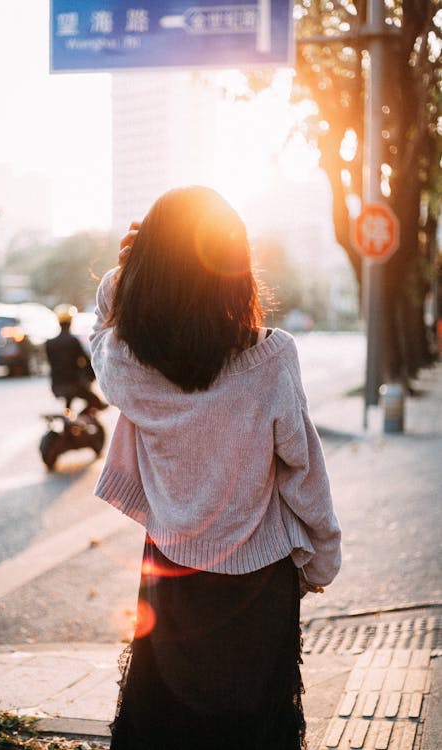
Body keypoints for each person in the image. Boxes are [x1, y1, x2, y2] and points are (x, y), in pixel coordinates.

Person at [90, 186, 341, 750]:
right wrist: (321, 560)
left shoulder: (131, 366)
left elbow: (101, 331)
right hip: (259, 583)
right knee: (255, 730)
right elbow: (304, 471)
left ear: (150, 269)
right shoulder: (272, 358)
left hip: (171, 575)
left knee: (168, 726)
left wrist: (125, 274)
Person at [46, 303, 107, 413]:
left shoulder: (50, 343)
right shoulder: (73, 341)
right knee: (97, 402)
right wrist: (92, 375)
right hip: (75, 384)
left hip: (56, 385)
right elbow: (85, 361)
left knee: (69, 404)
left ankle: (70, 418)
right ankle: (80, 419)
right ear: (70, 322)